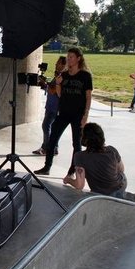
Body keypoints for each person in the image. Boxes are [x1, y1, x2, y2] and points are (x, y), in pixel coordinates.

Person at [34, 47, 92, 177]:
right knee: (53, 138)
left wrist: (85, 115)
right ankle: (47, 166)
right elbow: (60, 95)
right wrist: (59, 84)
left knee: (76, 143)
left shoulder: (85, 76)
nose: (69, 59)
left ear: (78, 58)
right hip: (64, 113)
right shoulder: (64, 75)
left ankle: (72, 171)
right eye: (68, 57)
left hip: (78, 114)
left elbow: (88, 96)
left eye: (71, 57)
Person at [62, 122, 135, 202]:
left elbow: (79, 185)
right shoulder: (111, 150)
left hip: (99, 193)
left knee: (96, 197)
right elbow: (122, 169)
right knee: (117, 184)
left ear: (84, 138)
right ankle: (123, 195)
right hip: (120, 185)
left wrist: (68, 179)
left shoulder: (79, 156)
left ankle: (119, 196)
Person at [32, 56, 67, 156]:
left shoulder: (62, 77)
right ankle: (52, 148)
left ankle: (47, 148)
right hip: (51, 106)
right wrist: (44, 85)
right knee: (52, 128)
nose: (56, 64)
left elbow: (53, 90)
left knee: (46, 126)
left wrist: (44, 83)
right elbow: (50, 89)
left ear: (64, 65)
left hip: (55, 108)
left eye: (58, 63)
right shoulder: (57, 76)